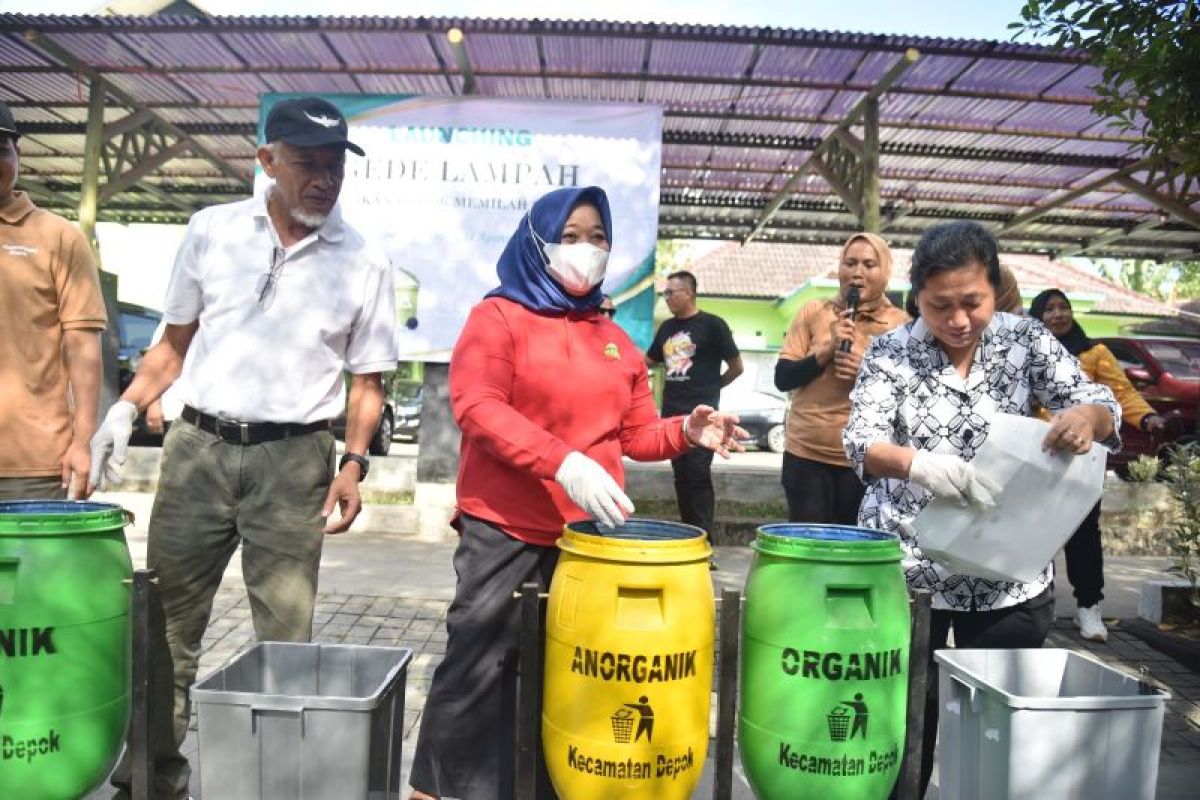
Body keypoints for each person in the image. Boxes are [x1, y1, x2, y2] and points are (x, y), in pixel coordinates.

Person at [89, 97, 398, 799]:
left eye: (334, 168)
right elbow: (171, 347)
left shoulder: (363, 260)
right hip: (197, 451)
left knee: (286, 642)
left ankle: (275, 783)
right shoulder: (211, 232)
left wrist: (353, 463)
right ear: (267, 161)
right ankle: (155, 778)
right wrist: (123, 411)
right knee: (164, 627)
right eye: (308, 164)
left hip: (296, 464)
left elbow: (369, 382)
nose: (324, 180)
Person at [408, 186, 744, 800]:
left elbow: (636, 434)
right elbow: (478, 407)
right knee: (479, 668)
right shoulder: (498, 317)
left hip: (590, 544)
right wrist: (561, 462)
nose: (586, 250)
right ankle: (436, 791)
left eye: (598, 238)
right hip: (506, 529)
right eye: (571, 237)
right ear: (536, 243)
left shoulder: (610, 335)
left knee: (569, 675)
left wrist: (687, 431)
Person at [843, 220, 1119, 793]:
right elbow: (861, 442)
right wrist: (917, 464)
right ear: (916, 296)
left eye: (973, 302)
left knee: (998, 731)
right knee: (902, 722)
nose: (958, 320)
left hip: (1004, 571)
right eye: (940, 305)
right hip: (907, 570)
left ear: (996, 289)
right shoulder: (891, 352)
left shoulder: (1026, 340)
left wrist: (1084, 419)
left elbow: (1099, 401)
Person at [1031, 288, 1165, 642]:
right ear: (1036, 316)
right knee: (1032, 532)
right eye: (1049, 309)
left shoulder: (1095, 353)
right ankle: (1034, 608)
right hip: (1036, 457)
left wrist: (1147, 416)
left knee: (1084, 534)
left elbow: (1120, 394)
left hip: (1082, 460)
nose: (1058, 314)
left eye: (1064, 307)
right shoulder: (1025, 351)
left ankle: (1088, 607)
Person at [0, 99, 105, 501]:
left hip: (34, 465)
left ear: (17, 153)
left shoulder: (59, 238)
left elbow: (84, 348)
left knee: (29, 567)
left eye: (0, 148)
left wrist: (83, 440)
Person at [774, 232, 907, 523]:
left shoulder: (901, 325)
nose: (857, 273)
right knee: (808, 549)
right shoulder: (813, 311)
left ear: (885, 270)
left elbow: (910, 397)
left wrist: (866, 371)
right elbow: (783, 378)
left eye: (869, 265)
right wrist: (824, 351)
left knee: (851, 551)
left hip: (866, 459)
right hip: (805, 452)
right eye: (850, 263)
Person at [646, 270, 743, 535]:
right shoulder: (666, 328)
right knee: (681, 476)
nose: (666, 298)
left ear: (688, 293)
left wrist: (714, 386)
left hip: (703, 418)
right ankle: (686, 535)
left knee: (698, 474)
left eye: (670, 292)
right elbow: (649, 361)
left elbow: (737, 367)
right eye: (664, 293)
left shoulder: (713, 325)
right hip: (673, 417)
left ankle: (703, 541)